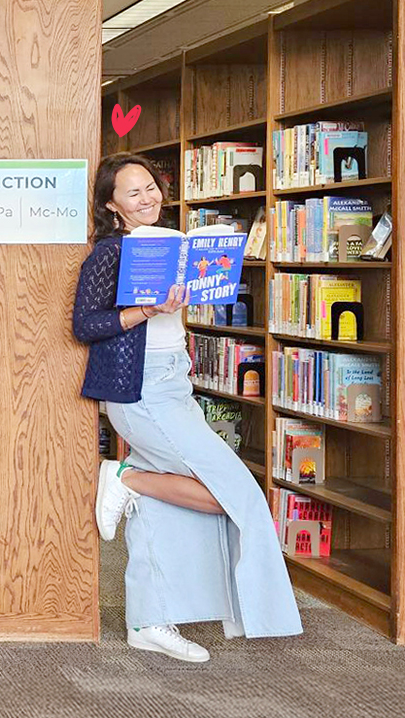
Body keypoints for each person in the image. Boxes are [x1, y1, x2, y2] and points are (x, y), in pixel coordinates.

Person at [72, 152, 303, 662]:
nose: (148, 197)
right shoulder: (109, 253)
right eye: (134, 192)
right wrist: (146, 310)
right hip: (142, 391)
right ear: (112, 205)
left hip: (173, 381)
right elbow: (86, 325)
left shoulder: (173, 244)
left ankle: (149, 621)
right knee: (236, 495)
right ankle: (124, 478)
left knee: (164, 511)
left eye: (151, 186)